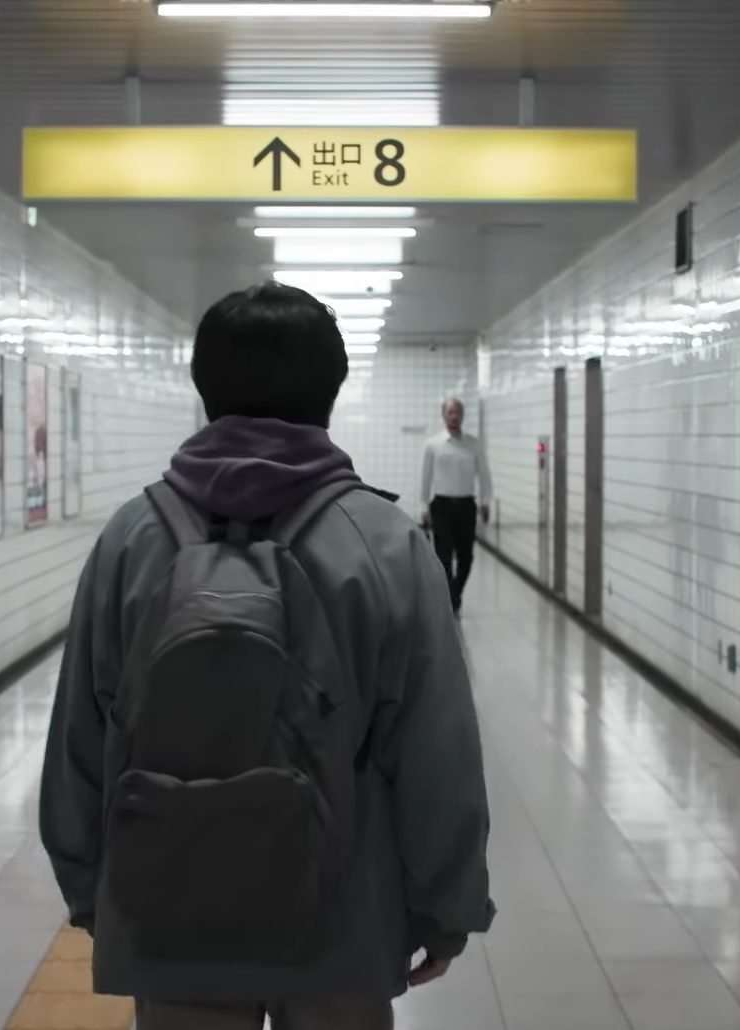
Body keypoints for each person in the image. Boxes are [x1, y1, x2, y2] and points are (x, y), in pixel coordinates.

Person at [40, 284, 494, 1030]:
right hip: (342, 913)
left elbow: (81, 733)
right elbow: (436, 747)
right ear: (330, 393)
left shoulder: (131, 539)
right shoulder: (386, 544)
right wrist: (448, 905)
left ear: (204, 389)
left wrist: (91, 888)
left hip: (167, 906)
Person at [419, 397, 491, 615]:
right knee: (443, 557)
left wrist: (485, 501)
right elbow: (425, 478)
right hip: (441, 506)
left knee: (466, 557)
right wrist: (423, 506)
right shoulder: (433, 445)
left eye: (458, 412)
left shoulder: (473, 444)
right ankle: (451, 600)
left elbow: (484, 475)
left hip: (466, 506)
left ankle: (454, 593)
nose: (454, 416)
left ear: (463, 415)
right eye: (450, 412)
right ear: (444, 415)